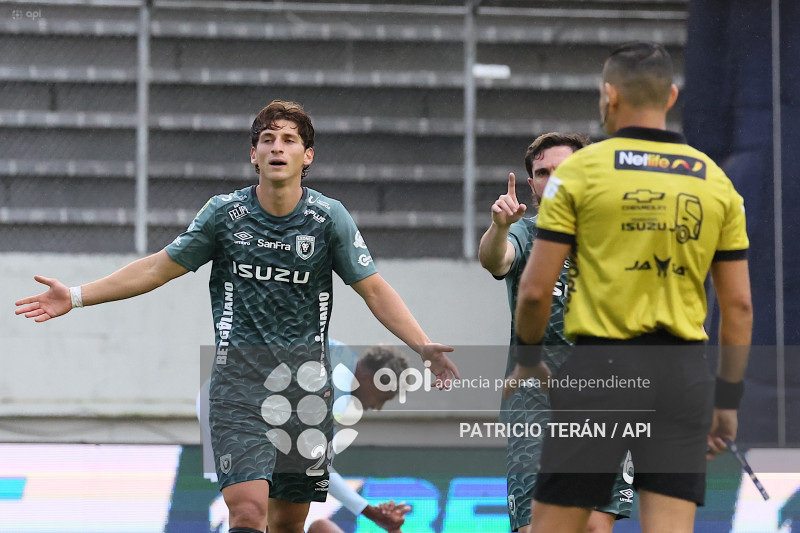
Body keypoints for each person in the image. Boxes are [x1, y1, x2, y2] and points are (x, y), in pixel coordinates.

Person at [15, 100, 459, 533]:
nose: (277, 147)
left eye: (289, 140)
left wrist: (423, 345)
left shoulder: (328, 219)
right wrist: (75, 296)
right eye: (268, 139)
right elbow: (156, 268)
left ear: (308, 156)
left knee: (289, 523)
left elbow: (374, 289)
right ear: (254, 154)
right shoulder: (224, 215)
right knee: (247, 513)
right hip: (237, 391)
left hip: (305, 393)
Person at [509, 42, 752, 533]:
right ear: (671, 96)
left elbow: (534, 292)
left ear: (609, 95)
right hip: (684, 376)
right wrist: (725, 401)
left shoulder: (579, 173)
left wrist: (531, 361)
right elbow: (739, 306)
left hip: (601, 370)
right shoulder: (716, 181)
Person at [478, 132, 633, 533]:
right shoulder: (525, 234)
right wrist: (498, 227)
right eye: (542, 172)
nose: (553, 179)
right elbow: (495, 259)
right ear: (531, 184)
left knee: (595, 528)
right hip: (535, 404)